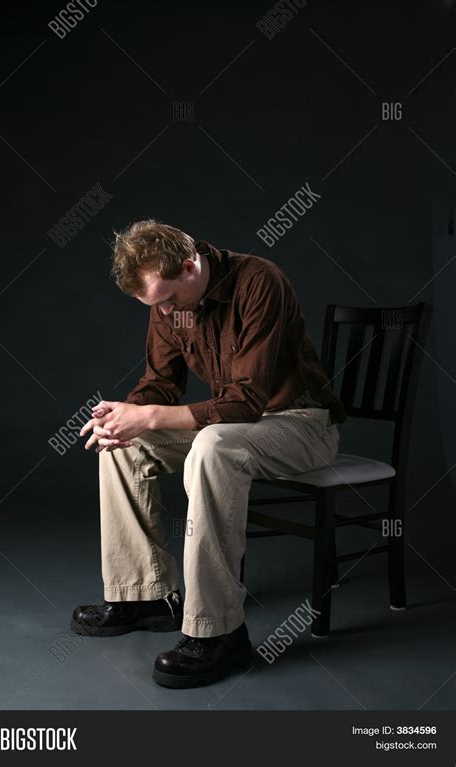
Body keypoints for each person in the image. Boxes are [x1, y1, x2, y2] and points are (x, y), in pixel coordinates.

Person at [73, 219, 346, 689]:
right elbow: (160, 384)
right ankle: (146, 597)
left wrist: (153, 417)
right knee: (123, 446)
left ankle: (220, 634)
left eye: (168, 301)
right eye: (153, 305)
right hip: (236, 425)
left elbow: (246, 401)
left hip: (301, 425)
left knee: (212, 447)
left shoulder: (260, 280)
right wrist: (123, 415)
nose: (163, 311)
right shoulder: (166, 301)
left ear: (189, 265)